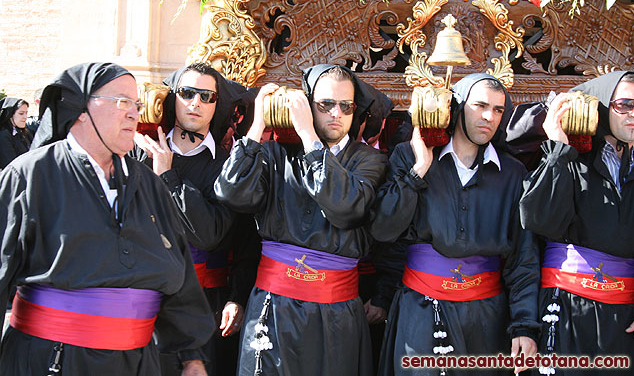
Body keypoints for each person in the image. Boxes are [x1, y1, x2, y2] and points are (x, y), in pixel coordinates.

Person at [0, 63, 214, 376]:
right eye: (122, 102)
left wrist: (191, 358)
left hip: (138, 362)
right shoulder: (30, 176)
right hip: (51, 360)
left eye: (136, 104)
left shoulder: (150, 185)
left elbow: (179, 274)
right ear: (81, 109)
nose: (134, 113)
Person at [214, 64, 388, 375]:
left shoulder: (369, 160)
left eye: (346, 106)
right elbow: (232, 193)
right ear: (308, 105)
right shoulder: (277, 153)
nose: (336, 113)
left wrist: (309, 136)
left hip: (336, 311)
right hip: (273, 304)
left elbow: (345, 207)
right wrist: (257, 128)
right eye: (325, 104)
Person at [372, 73, 540, 375]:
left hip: (486, 317)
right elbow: (383, 230)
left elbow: (523, 258)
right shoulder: (409, 157)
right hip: (420, 311)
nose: (489, 117)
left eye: (498, 110)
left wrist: (524, 325)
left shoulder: (513, 174)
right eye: (480, 106)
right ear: (458, 107)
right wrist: (418, 171)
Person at [133, 62, 259, 376]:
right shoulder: (137, 155)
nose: (196, 103)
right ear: (172, 97)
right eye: (187, 93)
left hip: (208, 304)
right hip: (144, 298)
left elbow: (216, 235)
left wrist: (168, 178)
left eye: (207, 96)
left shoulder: (228, 166)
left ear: (218, 105)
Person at [520, 71, 634, 375]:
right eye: (624, 105)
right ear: (600, 106)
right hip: (567, 307)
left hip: (627, 317)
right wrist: (558, 152)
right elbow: (537, 221)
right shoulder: (570, 158)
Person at [0, 97, 32, 169]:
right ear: (10, 115)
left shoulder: (25, 132)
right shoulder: (3, 135)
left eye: (26, 113)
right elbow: (10, 164)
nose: (25, 117)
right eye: (21, 113)